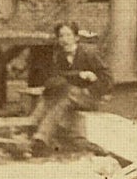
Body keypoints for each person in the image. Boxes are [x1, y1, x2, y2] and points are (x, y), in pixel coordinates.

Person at [26, 22, 112, 157]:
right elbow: (54, 77)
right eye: (61, 36)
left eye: (68, 35)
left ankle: (40, 137)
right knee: (52, 94)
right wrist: (78, 74)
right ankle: (32, 128)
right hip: (70, 96)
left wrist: (91, 89)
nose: (64, 39)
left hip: (90, 97)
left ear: (76, 38)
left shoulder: (89, 53)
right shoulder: (59, 56)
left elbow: (108, 79)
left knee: (66, 95)